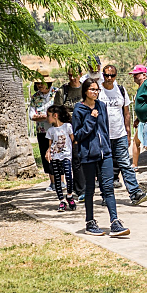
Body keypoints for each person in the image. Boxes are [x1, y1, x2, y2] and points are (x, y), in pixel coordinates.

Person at [72, 79, 130, 237]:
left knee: (108, 187)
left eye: (97, 90)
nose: (96, 92)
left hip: (105, 153)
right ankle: (90, 222)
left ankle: (115, 222)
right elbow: (77, 135)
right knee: (90, 189)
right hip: (88, 155)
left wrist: (107, 147)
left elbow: (105, 130)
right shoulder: (79, 109)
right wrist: (91, 119)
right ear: (85, 91)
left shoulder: (102, 106)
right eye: (92, 89)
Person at [98, 64, 147, 206]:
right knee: (106, 167)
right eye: (107, 75)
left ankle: (135, 193)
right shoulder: (98, 91)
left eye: (112, 75)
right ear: (103, 75)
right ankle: (106, 195)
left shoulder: (120, 90)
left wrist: (128, 133)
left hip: (120, 134)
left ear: (116, 76)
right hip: (104, 136)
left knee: (126, 164)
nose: (109, 78)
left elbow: (126, 113)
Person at [54, 64, 86, 199]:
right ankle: (80, 190)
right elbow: (57, 112)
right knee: (74, 159)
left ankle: (90, 186)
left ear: (80, 74)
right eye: (70, 75)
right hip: (68, 130)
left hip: (84, 127)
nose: (73, 78)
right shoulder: (62, 92)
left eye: (75, 74)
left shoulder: (85, 89)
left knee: (87, 157)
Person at [28, 70, 58, 191]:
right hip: (42, 131)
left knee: (59, 154)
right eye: (38, 83)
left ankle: (61, 182)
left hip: (56, 130)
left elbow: (59, 111)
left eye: (42, 83)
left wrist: (43, 116)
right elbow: (32, 115)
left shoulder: (57, 93)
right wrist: (47, 116)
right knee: (47, 156)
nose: (40, 85)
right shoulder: (35, 97)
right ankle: (52, 182)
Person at [45, 105, 75, 212]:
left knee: (68, 176)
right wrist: (48, 152)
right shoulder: (50, 131)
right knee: (57, 179)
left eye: (49, 115)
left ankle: (70, 196)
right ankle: (61, 200)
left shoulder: (67, 127)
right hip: (55, 157)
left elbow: (73, 140)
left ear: (55, 116)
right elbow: (50, 145)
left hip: (66, 155)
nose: (47, 118)